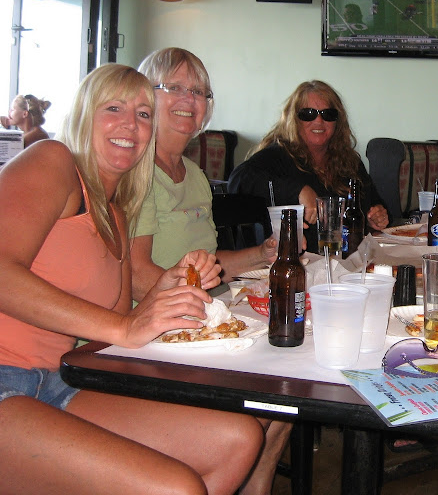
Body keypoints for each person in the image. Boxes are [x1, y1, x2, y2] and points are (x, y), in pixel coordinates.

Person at [0, 63, 264, 495]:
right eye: (114, 108)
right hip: (6, 379)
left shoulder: (116, 213)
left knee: (240, 438)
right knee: (178, 487)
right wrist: (125, 327)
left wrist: (171, 284)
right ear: (84, 114)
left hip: (59, 381)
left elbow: (121, 317)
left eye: (143, 114)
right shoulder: (53, 160)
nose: (130, 124)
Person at [130, 47, 288, 495]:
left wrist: (263, 254)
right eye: (175, 87)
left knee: (285, 398)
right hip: (160, 331)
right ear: (146, 96)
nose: (189, 99)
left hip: (205, 319)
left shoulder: (194, 174)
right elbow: (137, 275)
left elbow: (210, 264)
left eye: (199, 91)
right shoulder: (138, 171)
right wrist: (207, 313)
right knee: (267, 398)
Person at [228, 79, 390, 253]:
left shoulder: (349, 162)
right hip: (293, 261)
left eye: (328, 114)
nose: (319, 120)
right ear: (294, 118)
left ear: (337, 121)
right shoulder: (277, 155)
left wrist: (376, 216)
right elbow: (238, 180)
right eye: (308, 113)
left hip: (346, 260)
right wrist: (298, 191)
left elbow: (373, 203)